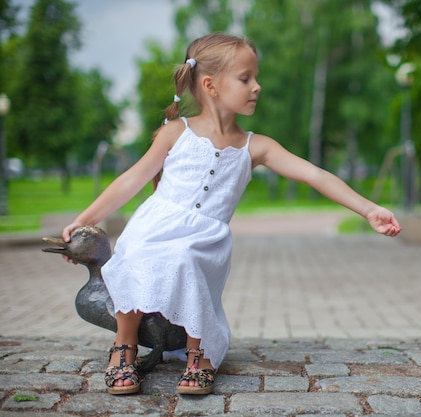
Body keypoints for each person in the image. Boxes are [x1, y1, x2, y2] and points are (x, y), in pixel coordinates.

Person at [61, 33, 402, 396]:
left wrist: (368, 208)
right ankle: (124, 345)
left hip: (205, 237)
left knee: (185, 256)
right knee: (136, 251)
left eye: (255, 77)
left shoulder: (257, 146)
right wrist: (85, 218)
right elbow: (131, 180)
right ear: (210, 85)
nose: (257, 86)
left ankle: (199, 352)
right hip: (156, 222)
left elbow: (315, 174)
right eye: (246, 78)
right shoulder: (176, 132)